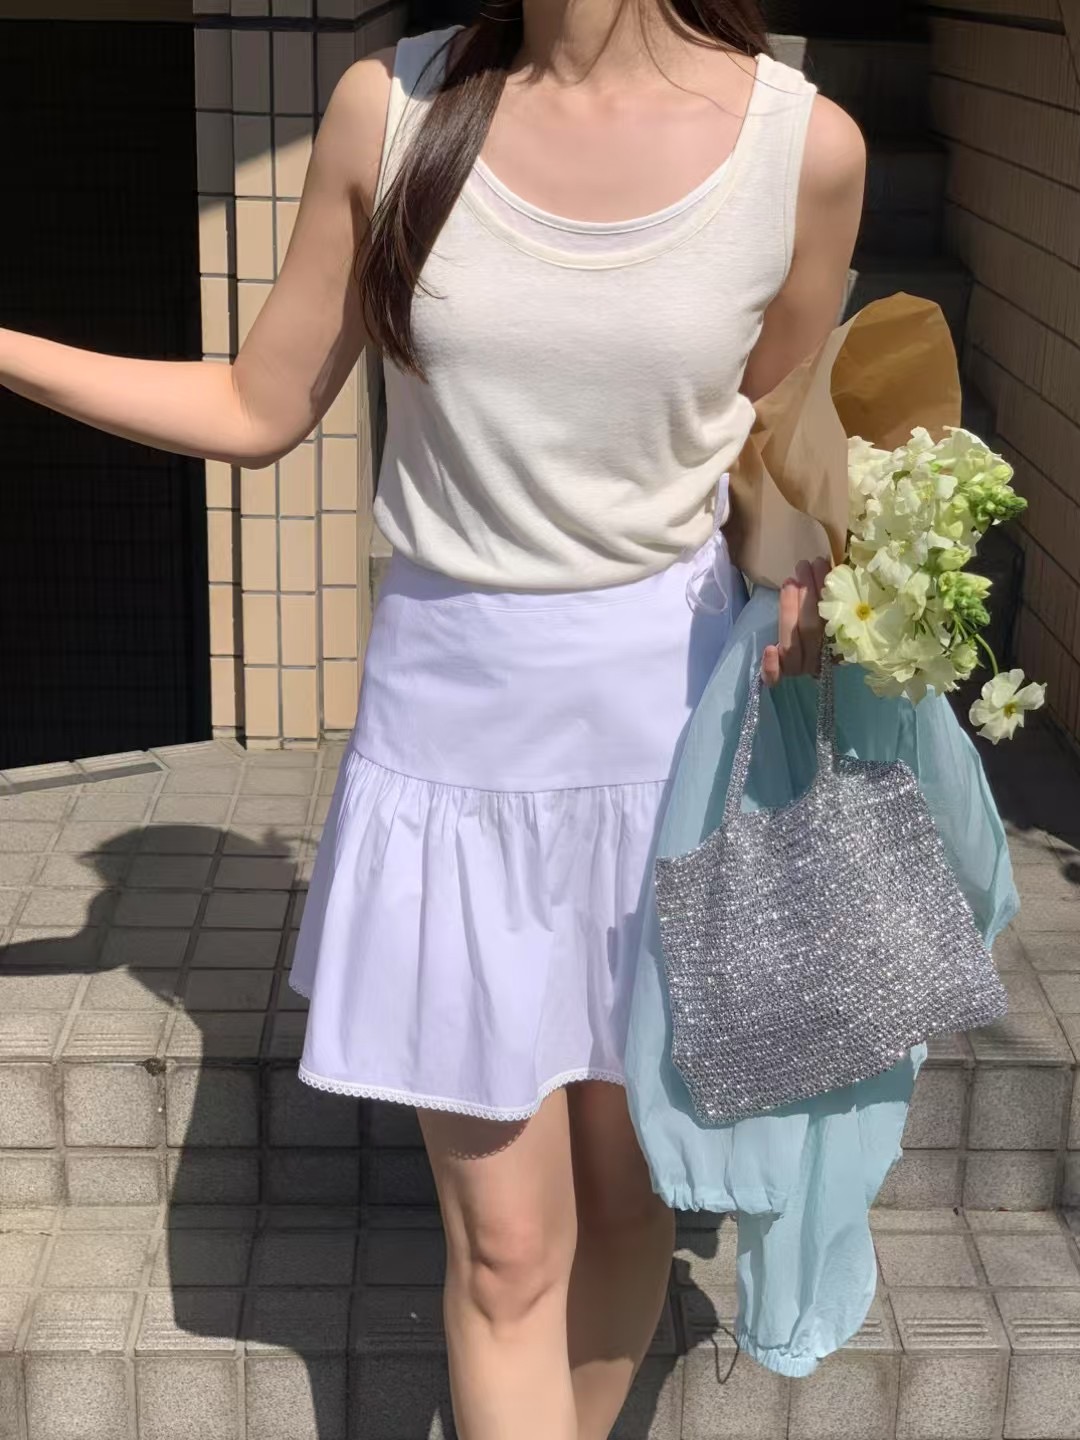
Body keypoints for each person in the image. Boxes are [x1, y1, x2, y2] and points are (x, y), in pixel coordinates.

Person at [0, 2, 866, 1434]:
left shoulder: (803, 148)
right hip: (449, 743)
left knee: (631, 1199)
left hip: (671, 748)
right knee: (511, 1249)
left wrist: (819, 579)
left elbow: (778, 447)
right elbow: (256, 401)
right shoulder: (392, 110)